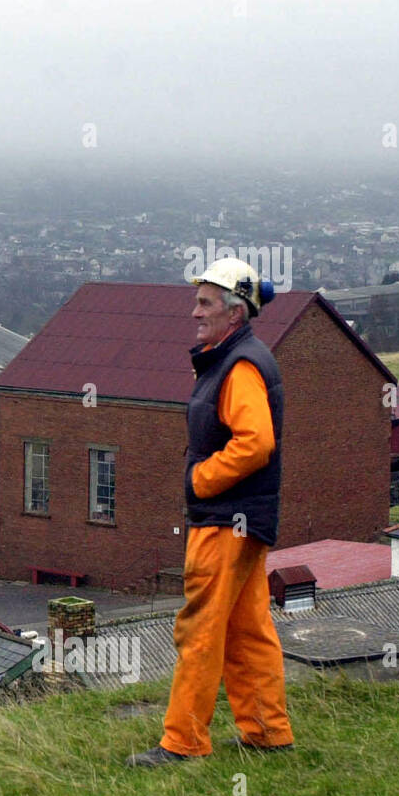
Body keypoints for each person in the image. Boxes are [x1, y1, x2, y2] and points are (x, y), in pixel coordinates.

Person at [127, 258, 295, 767]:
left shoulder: (239, 366)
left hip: (226, 519)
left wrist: (202, 480)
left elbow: (256, 442)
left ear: (234, 314)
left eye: (205, 303)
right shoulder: (238, 357)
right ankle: (267, 733)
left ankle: (182, 744)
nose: (194, 312)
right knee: (247, 628)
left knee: (200, 628)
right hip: (246, 518)